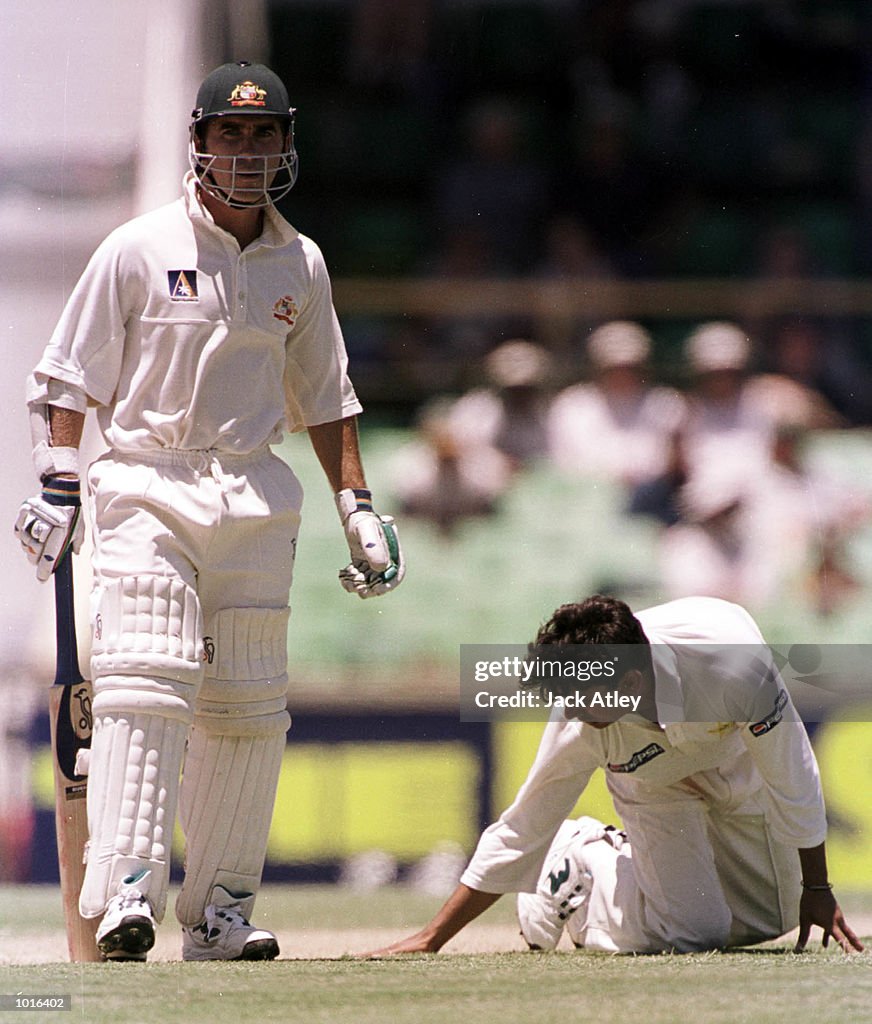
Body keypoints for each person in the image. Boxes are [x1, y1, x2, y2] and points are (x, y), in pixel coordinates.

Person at [13, 60, 404, 963]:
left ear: (287, 144)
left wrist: (359, 507)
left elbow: (328, 397)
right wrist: (57, 478)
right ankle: (125, 895)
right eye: (230, 133)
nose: (248, 151)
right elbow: (67, 377)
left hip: (255, 492)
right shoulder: (138, 248)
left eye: (263, 134)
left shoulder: (300, 263)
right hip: (149, 482)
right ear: (198, 142)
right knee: (147, 682)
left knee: (249, 708)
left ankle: (222, 913)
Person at [364, 595, 862, 957]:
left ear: (630, 680)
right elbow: (523, 825)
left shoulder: (735, 667)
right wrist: (431, 939)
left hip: (730, 757)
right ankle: (580, 862)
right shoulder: (579, 721)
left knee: (769, 920)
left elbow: (793, 773)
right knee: (698, 933)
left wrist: (817, 888)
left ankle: (636, 872)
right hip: (650, 786)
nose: (572, 710)